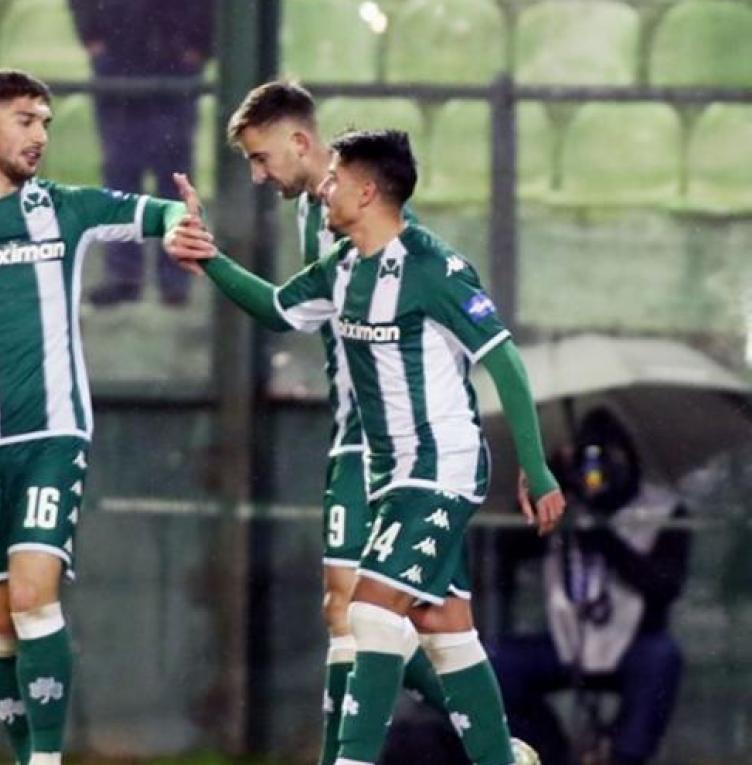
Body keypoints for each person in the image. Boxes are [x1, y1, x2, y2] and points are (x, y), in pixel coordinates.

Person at [166, 129, 565, 765]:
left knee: (372, 613)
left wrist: (536, 469)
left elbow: (505, 362)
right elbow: (277, 308)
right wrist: (209, 257)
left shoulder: (434, 268)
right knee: (442, 627)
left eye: (336, 179)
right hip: (389, 475)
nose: (324, 188)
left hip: (441, 468)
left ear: (368, 190)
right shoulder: (343, 267)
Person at [0, 68, 195, 765]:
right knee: (0, 620)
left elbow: (161, 214)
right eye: (25, 119)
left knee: (34, 596)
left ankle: (46, 760)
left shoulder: (67, 208)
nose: (39, 134)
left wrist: (181, 226)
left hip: (52, 435)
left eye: (45, 121)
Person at [218, 80, 469, 765]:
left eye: (262, 157)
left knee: (390, 614)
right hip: (354, 438)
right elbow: (289, 308)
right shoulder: (318, 214)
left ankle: (489, 742)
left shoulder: (372, 215)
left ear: (301, 141)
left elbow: (440, 318)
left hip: (399, 445)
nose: (258, 175)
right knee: (358, 614)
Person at [493, 409, 688, 765]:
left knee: (663, 659)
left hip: (633, 642)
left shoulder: (664, 509)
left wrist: (605, 540)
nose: (596, 475)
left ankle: (622, 755)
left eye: (606, 460)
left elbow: (665, 586)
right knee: (498, 664)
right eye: (588, 462)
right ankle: (549, 752)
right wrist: (545, 489)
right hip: (566, 640)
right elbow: (508, 551)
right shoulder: (565, 501)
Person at [69, 0, 212, 307]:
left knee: (172, 173)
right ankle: (127, 276)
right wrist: (92, 35)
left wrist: (199, 44)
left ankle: (170, 276)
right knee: (122, 168)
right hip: (122, 51)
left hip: (171, 52)